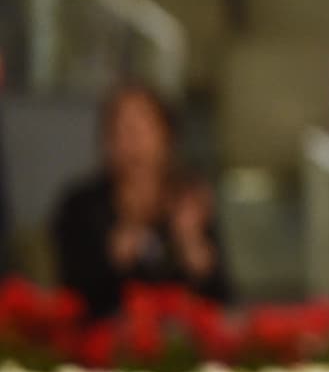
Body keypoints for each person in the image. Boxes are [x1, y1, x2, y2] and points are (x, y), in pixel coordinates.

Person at [51, 82, 230, 321]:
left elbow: (223, 300)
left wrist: (193, 247)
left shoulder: (190, 201)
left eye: (142, 128)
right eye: (121, 130)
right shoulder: (81, 205)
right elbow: (70, 300)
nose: (132, 142)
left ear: (167, 136)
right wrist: (114, 257)